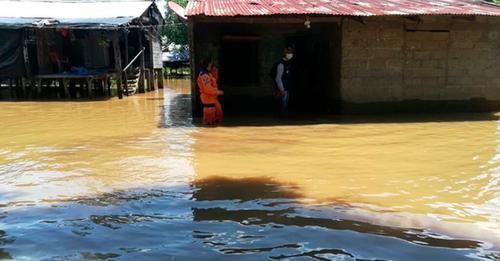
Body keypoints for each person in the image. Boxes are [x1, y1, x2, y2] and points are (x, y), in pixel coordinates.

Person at [197, 59, 223, 126]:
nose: (211, 67)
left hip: (212, 98)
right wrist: (218, 92)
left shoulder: (208, 74)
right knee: (209, 121)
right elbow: (207, 89)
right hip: (208, 99)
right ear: (207, 65)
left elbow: (213, 83)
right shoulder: (204, 76)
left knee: (217, 114)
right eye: (210, 65)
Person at [274, 46, 294, 116]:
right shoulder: (281, 64)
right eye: (288, 52)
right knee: (282, 104)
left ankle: (283, 115)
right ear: (284, 53)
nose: (290, 54)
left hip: (287, 88)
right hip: (283, 89)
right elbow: (278, 78)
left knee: (285, 104)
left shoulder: (288, 63)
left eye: (291, 52)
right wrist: (282, 89)